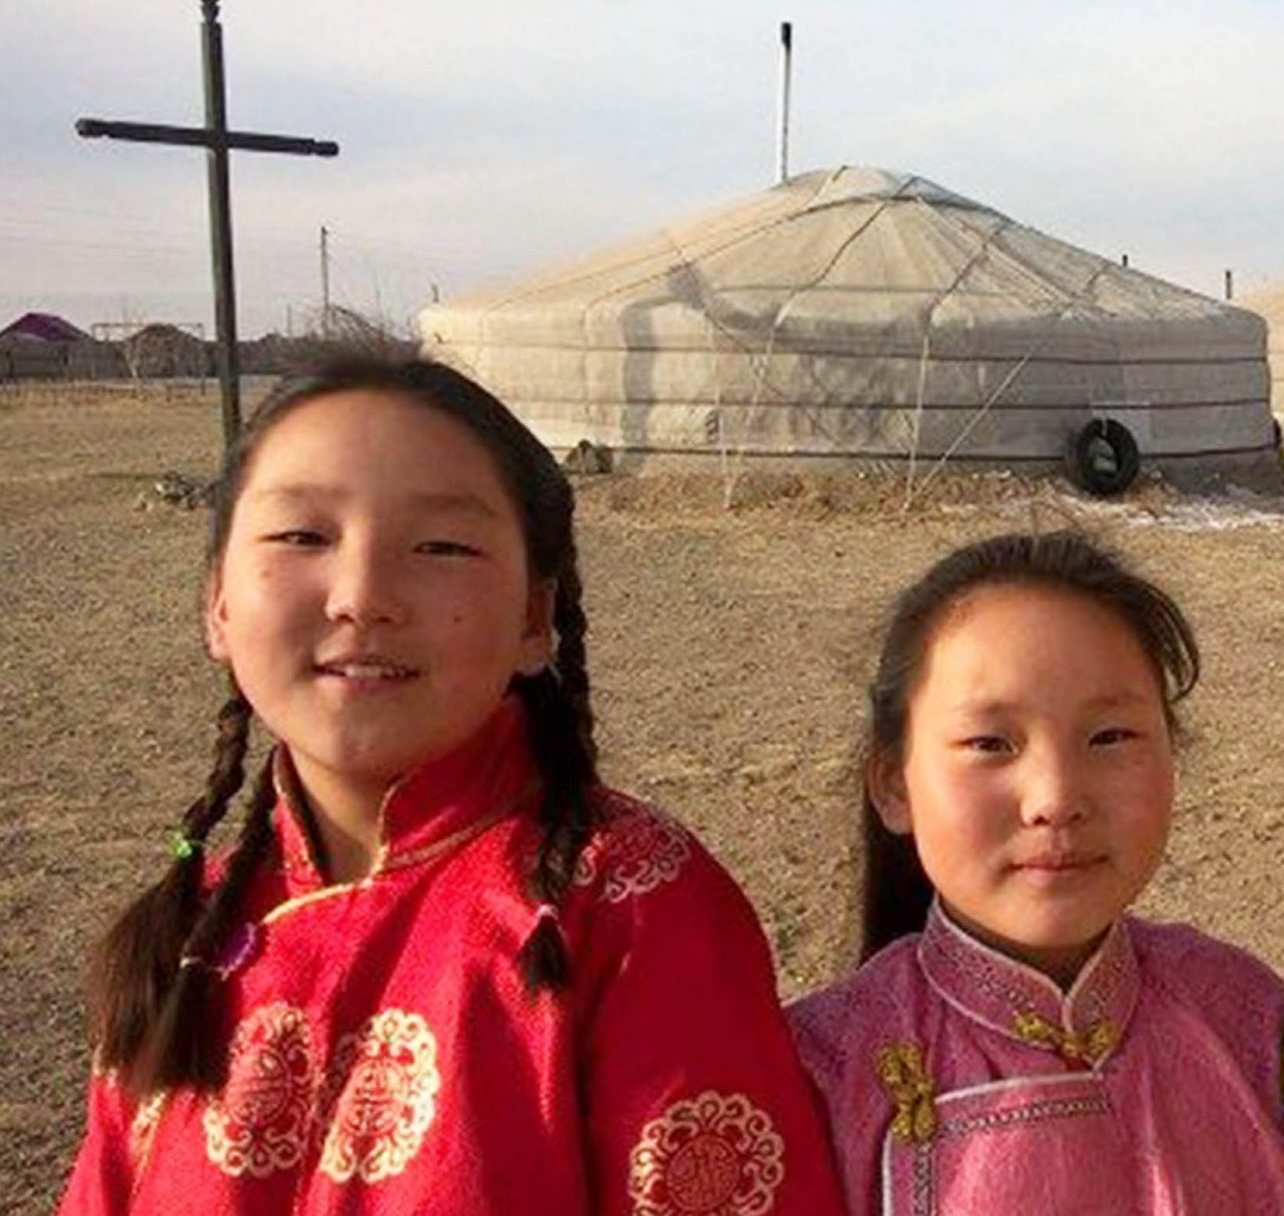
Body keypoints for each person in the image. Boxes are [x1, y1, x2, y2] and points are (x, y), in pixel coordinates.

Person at [55, 350, 841, 1214]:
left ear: (535, 618)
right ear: (217, 603)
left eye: (441, 545)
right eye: (302, 536)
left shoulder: (626, 903)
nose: (362, 596)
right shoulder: (189, 932)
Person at [787, 531, 1284, 1214]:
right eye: (990, 743)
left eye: (1110, 736)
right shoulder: (815, 1076)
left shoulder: (1247, 1020)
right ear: (893, 783)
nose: (1056, 797)